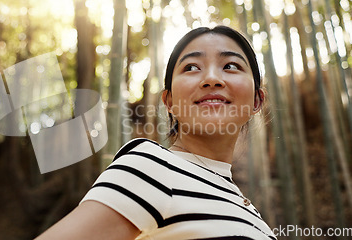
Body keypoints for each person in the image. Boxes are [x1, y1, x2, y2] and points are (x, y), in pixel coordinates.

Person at [35, 26, 277, 239]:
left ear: (257, 100)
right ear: (169, 101)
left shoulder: (249, 210)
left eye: (231, 66)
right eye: (191, 67)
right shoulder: (151, 169)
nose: (212, 78)